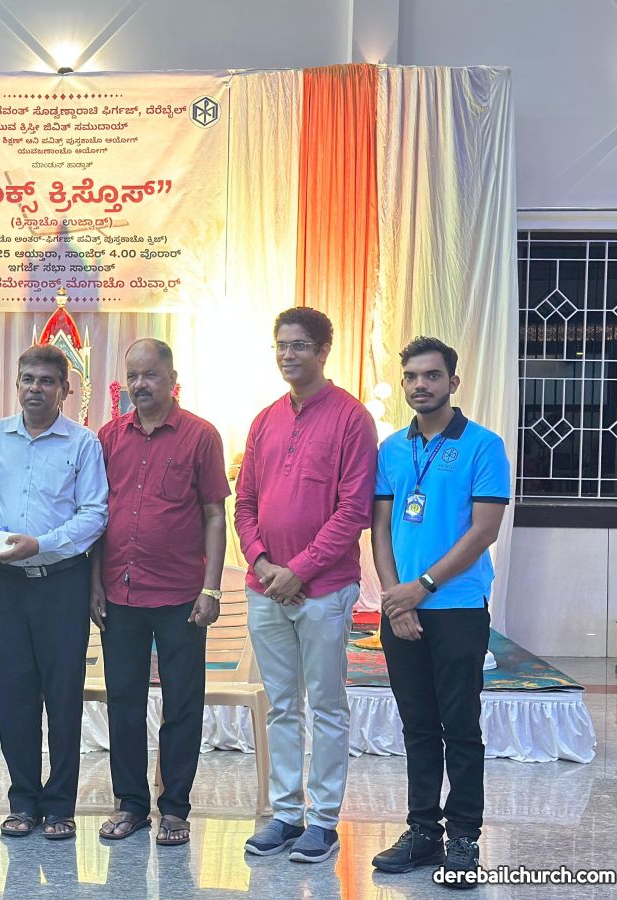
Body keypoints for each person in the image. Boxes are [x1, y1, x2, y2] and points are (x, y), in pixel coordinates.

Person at [236, 308, 377, 863]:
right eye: (281, 345)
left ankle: (322, 821)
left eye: (298, 345)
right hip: (266, 587)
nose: (287, 355)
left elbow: (353, 510)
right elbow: (244, 502)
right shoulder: (265, 419)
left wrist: (300, 569)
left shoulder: (351, 418)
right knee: (281, 705)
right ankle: (285, 814)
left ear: (322, 351)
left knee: (326, 705)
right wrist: (262, 562)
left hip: (325, 589)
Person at [370, 337, 509, 886]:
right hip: (401, 609)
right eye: (411, 376)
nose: (419, 385)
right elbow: (380, 529)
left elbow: (484, 531)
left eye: (431, 375)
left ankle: (465, 837)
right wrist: (393, 597)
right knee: (418, 726)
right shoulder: (391, 450)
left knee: (460, 727)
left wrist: (421, 587)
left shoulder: (483, 445)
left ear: (453, 382)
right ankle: (423, 831)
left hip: (457, 608)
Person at [0, 344, 108, 840]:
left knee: (62, 696)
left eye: (46, 381)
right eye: (27, 379)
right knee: (14, 696)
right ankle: (22, 801)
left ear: (65, 390)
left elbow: (94, 514)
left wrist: (40, 544)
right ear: (16, 383)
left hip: (63, 582)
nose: (35, 389)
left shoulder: (83, 444)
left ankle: (60, 806)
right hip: (9, 585)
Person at [92, 339, 229, 847]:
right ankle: (130, 804)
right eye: (133, 375)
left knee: (182, 705)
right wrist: (93, 584)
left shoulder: (200, 435)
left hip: (181, 596)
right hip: (120, 594)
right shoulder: (109, 437)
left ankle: (174, 808)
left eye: (150, 374)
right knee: (123, 702)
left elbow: (214, 515)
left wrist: (211, 587)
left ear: (172, 378)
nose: (140, 384)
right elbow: (96, 516)